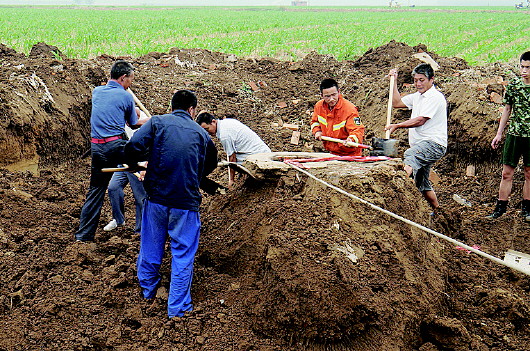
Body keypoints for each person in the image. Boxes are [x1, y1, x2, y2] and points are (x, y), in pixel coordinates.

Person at [124, 90, 218, 318]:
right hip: (185, 202)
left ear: (171, 106)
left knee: (151, 244)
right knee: (183, 254)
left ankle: (148, 292)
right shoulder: (201, 134)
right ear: (192, 110)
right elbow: (211, 163)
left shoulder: (157, 123)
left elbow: (133, 146)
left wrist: (136, 165)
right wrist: (194, 175)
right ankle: (177, 309)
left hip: (156, 198)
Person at [74, 60, 149, 242]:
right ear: (123, 78)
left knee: (96, 190)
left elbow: (115, 115)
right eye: (130, 79)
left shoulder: (97, 92)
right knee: (153, 154)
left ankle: (83, 236)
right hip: (115, 148)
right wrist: (153, 121)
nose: (131, 83)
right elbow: (133, 123)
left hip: (97, 149)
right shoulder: (125, 97)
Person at [385, 63, 447, 211]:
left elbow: (420, 120)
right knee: (421, 182)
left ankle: (396, 189)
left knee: (410, 155)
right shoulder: (418, 97)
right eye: (415, 80)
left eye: (422, 80)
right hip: (421, 146)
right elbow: (396, 103)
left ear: (431, 79)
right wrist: (394, 81)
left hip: (434, 144)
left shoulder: (435, 97)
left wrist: (397, 125)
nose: (418, 84)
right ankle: (438, 212)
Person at [487, 51, 530, 220]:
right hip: (514, 135)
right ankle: (500, 208)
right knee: (506, 173)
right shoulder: (514, 86)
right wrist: (499, 134)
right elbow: (507, 109)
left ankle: (527, 209)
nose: (524, 70)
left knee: (528, 173)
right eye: (522, 66)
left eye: (528, 67)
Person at [196, 112, 270, 186]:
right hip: (264, 152)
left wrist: (231, 180)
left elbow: (232, 158)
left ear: (213, 122)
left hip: (258, 160)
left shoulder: (224, 135)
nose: (207, 133)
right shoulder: (227, 122)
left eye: (207, 129)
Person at [103, 125, 147, 233]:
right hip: (124, 162)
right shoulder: (118, 121)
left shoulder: (145, 123)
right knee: (113, 187)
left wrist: (145, 167)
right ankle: (118, 220)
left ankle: (140, 230)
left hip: (138, 164)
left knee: (140, 198)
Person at [310, 78, 365, 156]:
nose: (331, 99)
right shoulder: (319, 107)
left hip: (350, 154)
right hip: (332, 152)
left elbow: (358, 130)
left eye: (334, 95)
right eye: (327, 96)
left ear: (339, 92)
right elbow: (314, 122)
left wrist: (351, 140)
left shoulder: (349, 109)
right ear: (321, 96)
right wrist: (317, 131)